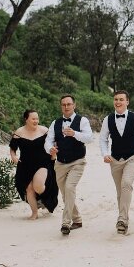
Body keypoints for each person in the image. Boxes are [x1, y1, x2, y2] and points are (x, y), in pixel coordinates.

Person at [99, 90, 134, 235]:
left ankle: (122, 219)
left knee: (126, 184)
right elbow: (103, 139)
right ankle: (124, 221)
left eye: (121, 99)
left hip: (133, 157)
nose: (118, 102)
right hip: (115, 160)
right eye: (116, 99)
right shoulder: (108, 119)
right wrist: (105, 154)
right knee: (120, 191)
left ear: (127, 102)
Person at [45, 94, 94, 236]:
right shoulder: (56, 123)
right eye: (63, 104)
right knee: (66, 193)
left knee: (69, 187)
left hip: (78, 161)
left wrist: (74, 133)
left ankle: (66, 223)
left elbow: (90, 138)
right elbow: (48, 141)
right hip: (60, 163)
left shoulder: (82, 120)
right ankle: (77, 219)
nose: (66, 107)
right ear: (61, 106)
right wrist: (50, 149)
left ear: (74, 105)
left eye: (69, 104)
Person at [9, 109, 58, 219]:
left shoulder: (44, 130)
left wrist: (53, 154)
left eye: (37, 118)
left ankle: (46, 198)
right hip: (25, 165)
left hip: (43, 162)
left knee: (38, 186)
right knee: (29, 189)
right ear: (26, 119)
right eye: (33, 119)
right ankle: (34, 213)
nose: (36, 121)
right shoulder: (19, 132)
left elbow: (53, 144)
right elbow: (13, 148)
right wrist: (13, 157)